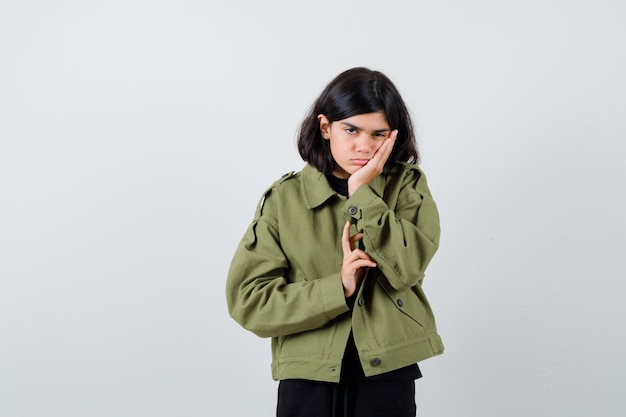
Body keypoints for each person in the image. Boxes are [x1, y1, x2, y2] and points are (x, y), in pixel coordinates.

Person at [226, 67, 443, 417]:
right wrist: (336, 288)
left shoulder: (407, 187)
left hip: (388, 372)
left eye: (379, 133)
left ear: (392, 136)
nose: (364, 146)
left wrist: (362, 193)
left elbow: (407, 270)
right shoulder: (285, 199)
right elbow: (248, 302)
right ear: (326, 127)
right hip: (307, 376)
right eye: (351, 129)